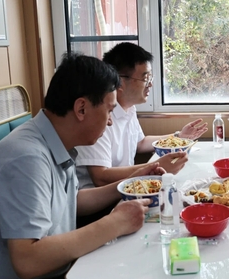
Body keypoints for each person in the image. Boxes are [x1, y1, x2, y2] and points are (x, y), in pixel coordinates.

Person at [0, 53, 159, 279]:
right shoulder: (26, 158)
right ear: (81, 108)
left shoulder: (52, 143)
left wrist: (130, 181)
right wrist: (115, 223)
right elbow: (27, 260)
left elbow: (73, 201)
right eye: (109, 110)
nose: (110, 123)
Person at [75, 43, 208, 189]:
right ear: (120, 82)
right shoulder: (99, 116)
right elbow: (100, 177)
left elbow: (140, 143)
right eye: (145, 79)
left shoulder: (129, 108)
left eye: (150, 78)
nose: (150, 84)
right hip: (101, 198)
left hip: (126, 188)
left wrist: (178, 136)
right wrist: (155, 166)